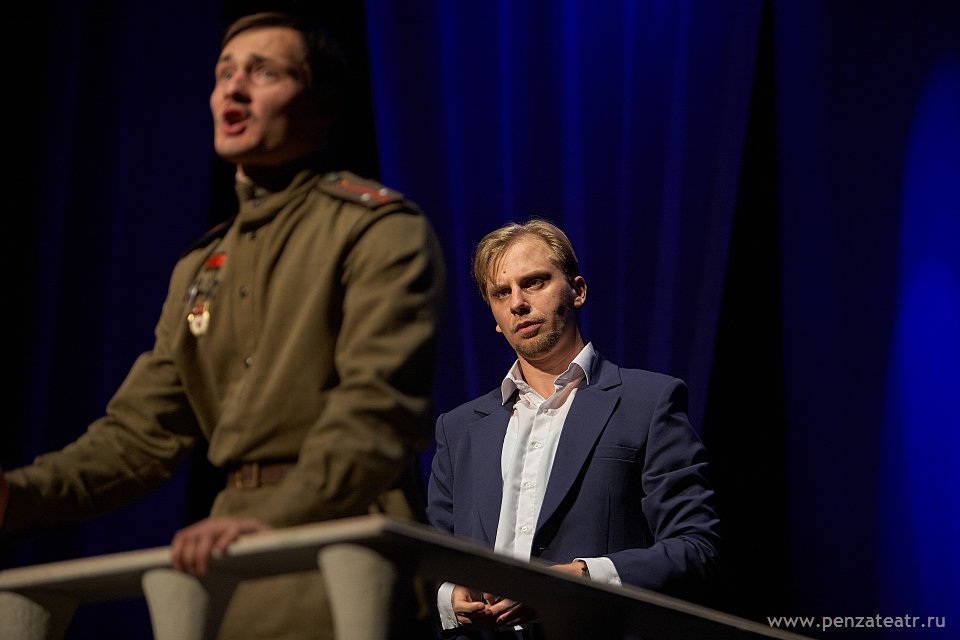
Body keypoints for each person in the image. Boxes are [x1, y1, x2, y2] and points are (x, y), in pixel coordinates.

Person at [0, 11, 445, 640]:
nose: (233, 89)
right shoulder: (199, 266)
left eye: (263, 73)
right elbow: (140, 434)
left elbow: (378, 409)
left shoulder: (376, 229)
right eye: (224, 73)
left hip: (342, 543)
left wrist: (278, 515)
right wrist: (19, 496)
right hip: (226, 559)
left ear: (322, 106)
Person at [426, 218, 720, 639]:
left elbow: (696, 549)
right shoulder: (458, 429)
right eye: (501, 293)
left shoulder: (648, 401)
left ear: (578, 291)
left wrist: (579, 579)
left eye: (534, 282)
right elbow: (432, 566)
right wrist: (449, 598)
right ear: (493, 315)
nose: (518, 303)